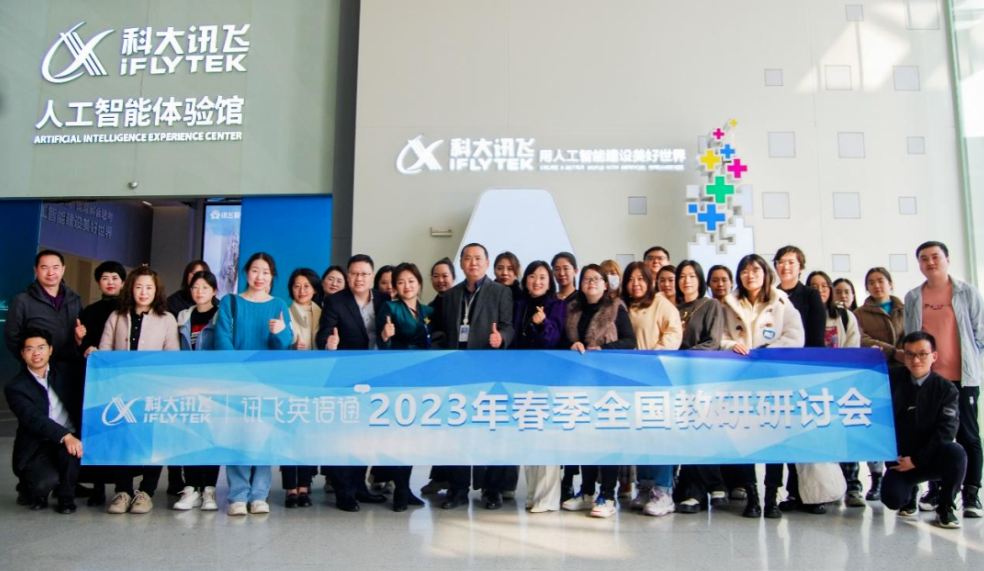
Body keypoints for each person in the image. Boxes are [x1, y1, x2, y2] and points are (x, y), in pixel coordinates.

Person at [721, 254, 805, 518]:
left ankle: (771, 498)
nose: (750, 275)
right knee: (745, 438)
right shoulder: (728, 304)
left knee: (774, 440)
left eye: (755, 270)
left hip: (773, 380)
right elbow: (721, 335)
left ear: (766, 274)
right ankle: (753, 497)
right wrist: (730, 345)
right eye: (745, 271)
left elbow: (795, 336)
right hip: (741, 381)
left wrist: (769, 351)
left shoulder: (781, 302)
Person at [433, 243, 515, 510]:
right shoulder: (451, 295)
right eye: (467, 258)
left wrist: (501, 338)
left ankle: (492, 490)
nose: (473, 263)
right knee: (458, 431)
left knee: (491, 431)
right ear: (461, 263)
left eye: (478, 258)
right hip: (457, 373)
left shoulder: (501, 292)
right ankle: (458, 489)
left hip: (489, 371)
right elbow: (441, 331)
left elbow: (508, 326)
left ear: (487, 263)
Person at [904, 241, 983, 518]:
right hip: (930, 381)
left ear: (947, 259)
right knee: (932, 436)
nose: (930, 262)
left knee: (968, 435)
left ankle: (971, 494)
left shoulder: (966, 292)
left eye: (935, 257)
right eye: (924, 258)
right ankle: (937, 490)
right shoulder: (914, 296)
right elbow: (911, 337)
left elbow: (980, 333)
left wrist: (971, 361)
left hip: (963, 378)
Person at [215, 253, 293, 516]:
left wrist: (279, 332)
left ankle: (259, 494)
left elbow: (283, 346)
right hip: (237, 380)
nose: (260, 277)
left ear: (272, 276)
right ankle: (237, 495)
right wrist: (238, 370)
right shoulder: (231, 302)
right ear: (246, 272)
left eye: (266, 272)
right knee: (236, 435)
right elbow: (222, 339)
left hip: (267, 382)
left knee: (263, 436)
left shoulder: (279, 304)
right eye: (255, 270)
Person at [99, 267, 180, 514]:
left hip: (153, 391)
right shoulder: (116, 316)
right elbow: (104, 352)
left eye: (149, 288)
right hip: (121, 391)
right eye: (138, 287)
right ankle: (123, 492)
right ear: (130, 289)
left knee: (152, 441)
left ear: (156, 291)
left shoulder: (166, 319)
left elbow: (172, 358)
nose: (143, 292)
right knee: (122, 440)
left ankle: (146, 492)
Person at [560, 264, 636, 518]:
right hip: (581, 383)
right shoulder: (572, 309)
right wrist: (571, 345)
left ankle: (608, 494)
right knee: (585, 438)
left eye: (596, 279)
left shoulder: (616, 308)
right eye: (586, 279)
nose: (591, 282)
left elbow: (630, 341)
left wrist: (604, 350)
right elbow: (562, 341)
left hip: (608, 383)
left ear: (605, 284)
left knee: (607, 438)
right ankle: (587, 491)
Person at [315, 254, 389, 512]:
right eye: (355, 274)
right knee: (344, 434)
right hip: (346, 377)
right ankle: (343, 490)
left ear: (372, 276)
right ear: (348, 276)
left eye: (364, 274)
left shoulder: (384, 299)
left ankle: (359, 486)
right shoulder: (335, 301)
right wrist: (329, 343)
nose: (359, 278)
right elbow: (323, 335)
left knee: (365, 434)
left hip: (377, 376)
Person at [881, 332, 968, 529]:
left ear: (934, 356)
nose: (916, 360)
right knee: (893, 499)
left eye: (922, 354)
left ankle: (946, 505)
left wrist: (917, 460)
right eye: (910, 354)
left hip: (932, 459)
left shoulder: (946, 389)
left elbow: (947, 431)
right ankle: (911, 492)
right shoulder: (890, 380)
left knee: (956, 453)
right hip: (901, 461)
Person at [620, 261, 682, 516]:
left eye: (640, 279)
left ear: (649, 281)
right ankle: (645, 486)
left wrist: (653, 357)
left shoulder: (661, 303)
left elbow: (673, 333)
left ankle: (663, 490)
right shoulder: (623, 306)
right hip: (630, 380)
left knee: (659, 434)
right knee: (640, 435)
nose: (635, 284)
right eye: (631, 279)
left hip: (657, 378)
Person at [4, 329, 83, 514]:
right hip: (38, 443)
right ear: (22, 353)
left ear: (50, 350)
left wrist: (84, 347)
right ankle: (31, 489)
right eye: (30, 349)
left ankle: (66, 497)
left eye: (41, 347)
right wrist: (65, 436)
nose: (36, 353)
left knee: (73, 452)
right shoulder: (15, 387)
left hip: (69, 439)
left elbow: (86, 366)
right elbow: (33, 418)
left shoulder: (65, 372)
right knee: (43, 484)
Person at [772, 246, 826, 513]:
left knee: (807, 435)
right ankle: (792, 493)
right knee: (784, 435)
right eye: (781, 262)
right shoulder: (772, 295)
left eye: (791, 262)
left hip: (805, 372)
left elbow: (816, 337)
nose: (786, 267)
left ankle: (813, 495)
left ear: (800, 266)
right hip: (778, 374)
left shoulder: (811, 295)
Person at [375, 263, 433, 511]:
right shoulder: (390, 308)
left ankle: (406, 487)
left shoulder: (428, 310)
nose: (407, 286)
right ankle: (399, 489)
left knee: (413, 435)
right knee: (398, 433)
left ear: (419, 283)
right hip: (398, 377)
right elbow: (382, 345)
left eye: (411, 281)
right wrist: (385, 335)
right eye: (401, 282)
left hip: (422, 377)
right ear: (395, 287)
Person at [673, 260, 728, 514]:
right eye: (682, 276)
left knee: (700, 432)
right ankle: (706, 488)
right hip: (678, 381)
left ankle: (700, 492)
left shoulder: (710, 305)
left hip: (702, 378)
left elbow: (713, 342)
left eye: (692, 276)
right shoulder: (673, 308)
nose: (686, 281)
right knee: (686, 435)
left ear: (700, 280)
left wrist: (683, 357)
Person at [512, 261, 567, 513]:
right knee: (528, 438)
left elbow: (553, 339)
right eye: (532, 276)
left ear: (549, 281)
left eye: (543, 277)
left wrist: (542, 324)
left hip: (547, 380)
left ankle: (547, 499)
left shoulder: (556, 305)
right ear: (525, 280)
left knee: (547, 438)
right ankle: (533, 494)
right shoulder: (519, 305)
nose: (537, 281)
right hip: (522, 380)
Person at [808, 270, 865, 507]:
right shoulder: (803, 314)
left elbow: (853, 347)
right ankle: (823, 490)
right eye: (814, 286)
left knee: (845, 437)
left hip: (840, 384)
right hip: (812, 387)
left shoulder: (844, 316)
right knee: (819, 439)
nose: (820, 290)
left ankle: (853, 485)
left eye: (824, 285)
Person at [853, 267, 905, 501]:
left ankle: (903, 475)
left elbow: (915, 334)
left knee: (902, 426)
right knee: (875, 426)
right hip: (875, 374)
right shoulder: (859, 313)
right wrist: (894, 351)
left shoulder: (905, 309)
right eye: (871, 282)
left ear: (890, 284)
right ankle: (876, 478)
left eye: (881, 281)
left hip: (904, 373)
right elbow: (861, 339)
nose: (876, 285)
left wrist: (905, 354)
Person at [173, 270, 221, 512]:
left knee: (211, 436)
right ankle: (191, 487)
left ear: (214, 291)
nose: (199, 291)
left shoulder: (221, 316)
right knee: (189, 435)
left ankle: (209, 489)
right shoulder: (183, 316)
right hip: (187, 384)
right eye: (195, 287)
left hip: (213, 384)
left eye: (205, 287)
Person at [280, 268, 324, 508]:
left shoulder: (323, 312)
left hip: (315, 380)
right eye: (297, 286)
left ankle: (305, 486)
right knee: (289, 434)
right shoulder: (284, 313)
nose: (302, 290)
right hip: (289, 380)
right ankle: (290, 488)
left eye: (306, 286)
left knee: (309, 435)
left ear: (314, 289)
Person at [4, 250, 85, 369]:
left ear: (63, 269)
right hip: (37, 369)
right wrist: (31, 361)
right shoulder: (22, 300)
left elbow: (82, 332)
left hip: (70, 368)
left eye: (55, 267)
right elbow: (12, 336)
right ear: (36, 270)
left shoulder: (75, 299)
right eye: (44, 267)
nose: (51, 273)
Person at [419, 257, 458, 496]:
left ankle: (455, 480)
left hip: (461, 372)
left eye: (445, 276)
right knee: (441, 426)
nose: (441, 280)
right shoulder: (430, 308)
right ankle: (439, 476)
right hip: (438, 373)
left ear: (454, 277)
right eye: (436, 276)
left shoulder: (462, 302)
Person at [78, 261, 126, 359]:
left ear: (123, 283)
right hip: (98, 361)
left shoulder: (130, 308)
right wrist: (86, 348)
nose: (110, 282)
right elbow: (84, 342)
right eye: (105, 278)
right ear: (98, 283)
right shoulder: (90, 310)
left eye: (114, 278)